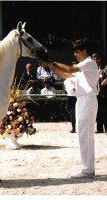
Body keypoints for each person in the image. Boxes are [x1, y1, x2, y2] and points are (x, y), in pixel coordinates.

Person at [42, 39, 99, 179]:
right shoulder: (83, 66)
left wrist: (52, 62)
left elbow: (69, 69)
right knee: (86, 136)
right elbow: (66, 75)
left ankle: (87, 170)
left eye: (77, 52)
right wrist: (51, 66)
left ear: (84, 51)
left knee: (84, 136)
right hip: (85, 100)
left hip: (86, 100)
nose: (75, 54)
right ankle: (88, 168)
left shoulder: (89, 63)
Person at [92, 53, 106, 133]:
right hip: (95, 94)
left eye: (97, 59)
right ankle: (99, 129)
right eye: (94, 59)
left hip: (104, 93)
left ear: (100, 59)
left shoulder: (104, 68)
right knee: (97, 111)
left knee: (105, 111)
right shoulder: (90, 69)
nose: (96, 60)